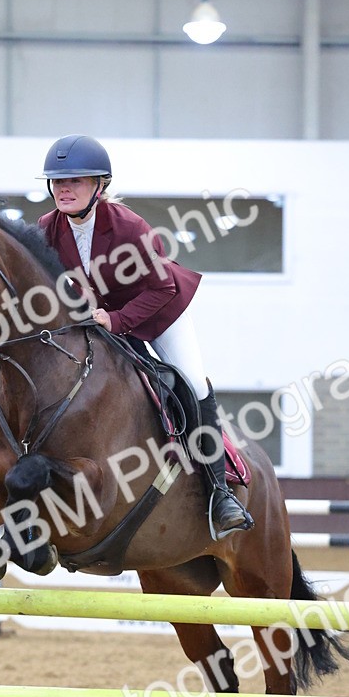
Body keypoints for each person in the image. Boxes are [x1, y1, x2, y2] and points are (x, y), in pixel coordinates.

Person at [37, 134, 253, 539]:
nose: (64, 189)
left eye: (76, 181)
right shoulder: (47, 229)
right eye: (58, 182)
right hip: (101, 319)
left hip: (158, 312)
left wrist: (116, 321)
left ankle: (220, 492)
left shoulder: (129, 227)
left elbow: (162, 289)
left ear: (99, 185)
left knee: (192, 385)